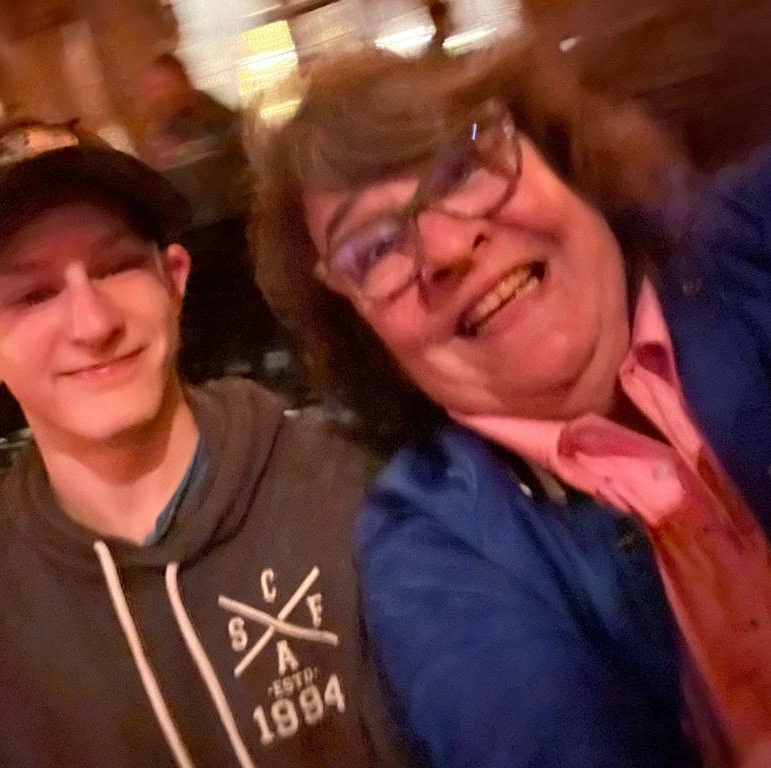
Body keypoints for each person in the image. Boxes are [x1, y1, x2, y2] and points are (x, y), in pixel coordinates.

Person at [249, 39, 771, 767]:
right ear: (365, 335)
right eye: (374, 251)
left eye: (462, 169)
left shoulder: (745, 252)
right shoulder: (434, 545)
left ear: (554, 154)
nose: (446, 249)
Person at [0, 119, 416, 768]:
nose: (92, 324)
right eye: (32, 295)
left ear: (174, 279)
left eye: (115, 268)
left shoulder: (360, 490)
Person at [138, 53, 293, 387]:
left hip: (233, 239)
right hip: (195, 248)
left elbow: (247, 172)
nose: (156, 96)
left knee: (250, 322)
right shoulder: (157, 138)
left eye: (162, 85)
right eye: (151, 89)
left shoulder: (220, 122)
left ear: (182, 82)